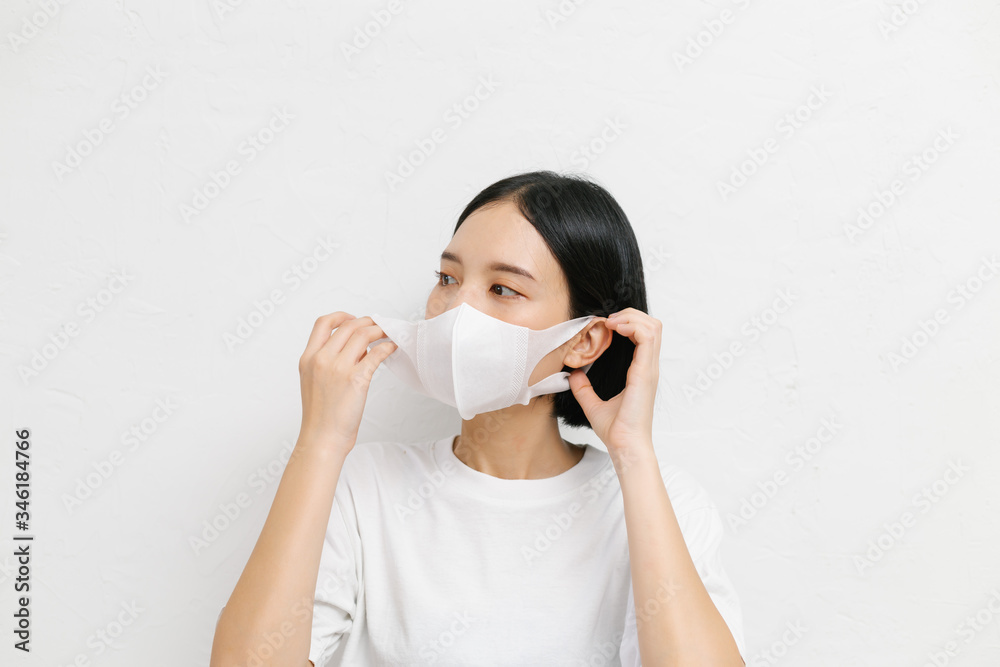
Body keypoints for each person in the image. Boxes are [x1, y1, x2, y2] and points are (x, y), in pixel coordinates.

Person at [210, 171, 746, 666]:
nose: (455, 310)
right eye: (447, 278)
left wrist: (634, 456)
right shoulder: (362, 487)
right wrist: (320, 443)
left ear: (584, 340)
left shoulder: (664, 502)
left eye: (503, 289)